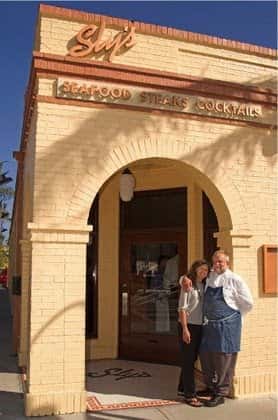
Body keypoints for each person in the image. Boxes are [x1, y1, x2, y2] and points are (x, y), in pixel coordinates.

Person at [181, 250, 253, 407]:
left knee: (223, 360)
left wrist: (234, 318)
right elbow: (193, 275)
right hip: (209, 325)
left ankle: (220, 393)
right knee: (206, 357)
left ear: (227, 263)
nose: (217, 264)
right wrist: (184, 279)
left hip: (227, 326)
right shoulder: (210, 275)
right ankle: (210, 387)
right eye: (215, 262)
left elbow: (248, 303)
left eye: (221, 261)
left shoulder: (235, 279)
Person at [177, 259, 209, 407]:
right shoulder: (187, 284)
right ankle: (190, 396)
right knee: (188, 361)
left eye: (206, 270)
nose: (203, 272)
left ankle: (182, 388)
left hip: (200, 326)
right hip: (188, 326)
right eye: (201, 269)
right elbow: (182, 309)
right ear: (195, 269)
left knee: (190, 359)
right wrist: (185, 329)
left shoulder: (204, 284)